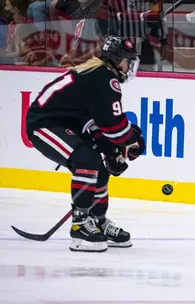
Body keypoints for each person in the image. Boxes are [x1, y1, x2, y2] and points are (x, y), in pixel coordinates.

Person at [25, 36, 146, 253]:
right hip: (44, 125)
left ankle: (98, 220)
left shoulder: (98, 75)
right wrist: (131, 141)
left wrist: (111, 148)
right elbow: (114, 128)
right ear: (117, 59)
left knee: (98, 166)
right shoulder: (104, 80)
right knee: (86, 158)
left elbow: (94, 122)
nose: (130, 67)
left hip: (66, 124)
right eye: (128, 61)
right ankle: (80, 224)